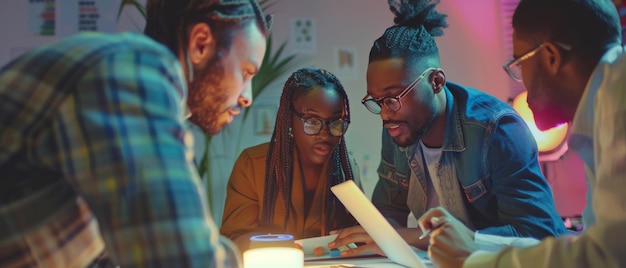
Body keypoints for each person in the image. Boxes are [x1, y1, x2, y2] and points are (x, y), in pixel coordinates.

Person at [0, 0, 272, 267]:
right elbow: (179, 257)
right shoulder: (130, 70)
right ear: (200, 43)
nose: (247, 96)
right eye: (246, 72)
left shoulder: (123, 88)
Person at [329, 0, 566, 257]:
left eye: (393, 98)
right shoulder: (398, 128)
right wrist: (376, 237)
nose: (385, 114)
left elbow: (537, 233)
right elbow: (388, 210)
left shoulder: (497, 131)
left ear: (436, 81)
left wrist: (411, 237)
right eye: (377, 102)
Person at [417, 0, 626, 267]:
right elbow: (593, 244)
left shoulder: (618, 107)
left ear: (551, 56)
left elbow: (607, 256)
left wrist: (471, 262)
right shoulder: (604, 105)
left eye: (519, 63)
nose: (522, 81)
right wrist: (473, 242)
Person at [220, 68, 360, 252]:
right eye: (312, 121)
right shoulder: (252, 165)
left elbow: (358, 236)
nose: (325, 134)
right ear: (289, 120)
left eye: (336, 123)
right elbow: (233, 241)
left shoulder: (346, 168)